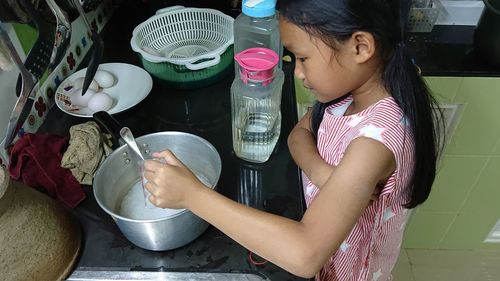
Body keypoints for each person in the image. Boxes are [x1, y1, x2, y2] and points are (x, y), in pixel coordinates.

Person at [143, 0, 442, 280]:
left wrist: (192, 195)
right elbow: (298, 135)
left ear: (360, 46)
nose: (297, 72)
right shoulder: (350, 92)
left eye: (303, 58)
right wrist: (324, 174)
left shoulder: (374, 143)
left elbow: (305, 253)